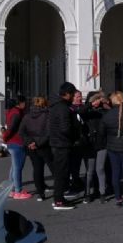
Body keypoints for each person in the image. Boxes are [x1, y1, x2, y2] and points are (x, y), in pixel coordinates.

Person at [48, 82, 79, 210]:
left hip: (58, 143)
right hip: (62, 144)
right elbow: (65, 128)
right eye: (72, 94)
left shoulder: (58, 106)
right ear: (66, 94)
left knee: (61, 172)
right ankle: (59, 200)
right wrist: (75, 135)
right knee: (61, 173)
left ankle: (59, 197)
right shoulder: (63, 108)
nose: (73, 97)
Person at [19, 96, 54, 202]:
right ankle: (61, 189)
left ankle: (40, 193)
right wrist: (37, 143)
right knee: (53, 167)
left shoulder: (27, 116)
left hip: (32, 147)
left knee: (37, 169)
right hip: (44, 145)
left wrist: (30, 142)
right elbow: (48, 133)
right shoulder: (47, 115)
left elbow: (21, 132)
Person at [80, 91, 109, 203]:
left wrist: (106, 103)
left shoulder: (104, 111)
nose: (97, 102)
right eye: (95, 99)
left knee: (100, 169)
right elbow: (80, 111)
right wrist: (91, 104)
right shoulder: (86, 111)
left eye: (99, 99)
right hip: (89, 144)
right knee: (90, 171)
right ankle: (87, 193)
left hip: (102, 143)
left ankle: (102, 193)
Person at [1, 95, 30, 199]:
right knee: (17, 167)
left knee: (14, 167)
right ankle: (18, 190)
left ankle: (11, 189)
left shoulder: (10, 111)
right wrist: (5, 137)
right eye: (24, 102)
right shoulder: (17, 113)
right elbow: (12, 128)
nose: (25, 104)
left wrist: (5, 137)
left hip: (12, 142)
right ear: (20, 103)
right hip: (17, 142)